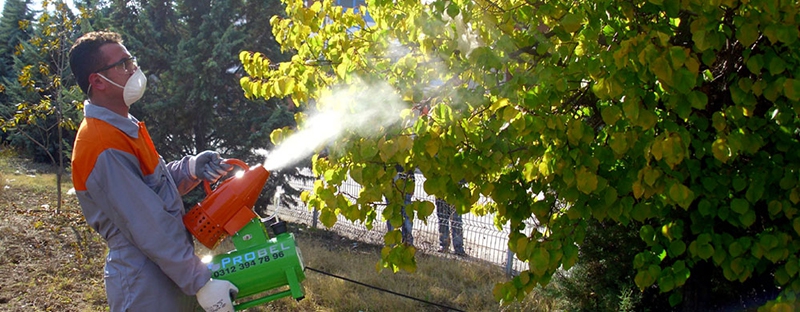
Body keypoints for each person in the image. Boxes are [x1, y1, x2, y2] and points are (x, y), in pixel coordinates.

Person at [69, 31, 237, 312]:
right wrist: (200, 282)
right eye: (123, 64)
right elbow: (147, 223)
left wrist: (191, 168)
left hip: (163, 267)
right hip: (142, 280)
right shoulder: (101, 144)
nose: (134, 69)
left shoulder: (122, 125)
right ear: (97, 81)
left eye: (131, 60)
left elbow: (153, 186)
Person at [386, 165, 415, 245]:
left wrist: (412, 183)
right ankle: (393, 243)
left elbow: (410, 168)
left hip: (405, 184)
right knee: (393, 215)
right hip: (391, 187)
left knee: (406, 216)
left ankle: (407, 242)